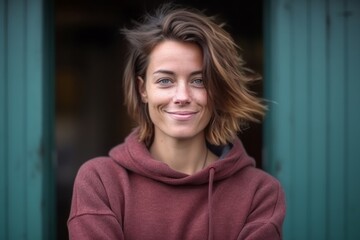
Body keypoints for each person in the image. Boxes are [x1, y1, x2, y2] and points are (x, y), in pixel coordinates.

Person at [68, 4, 286, 240]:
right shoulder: (101, 182)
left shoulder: (260, 193)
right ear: (143, 89)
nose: (182, 96)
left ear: (217, 90)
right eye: (165, 81)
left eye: (199, 81)